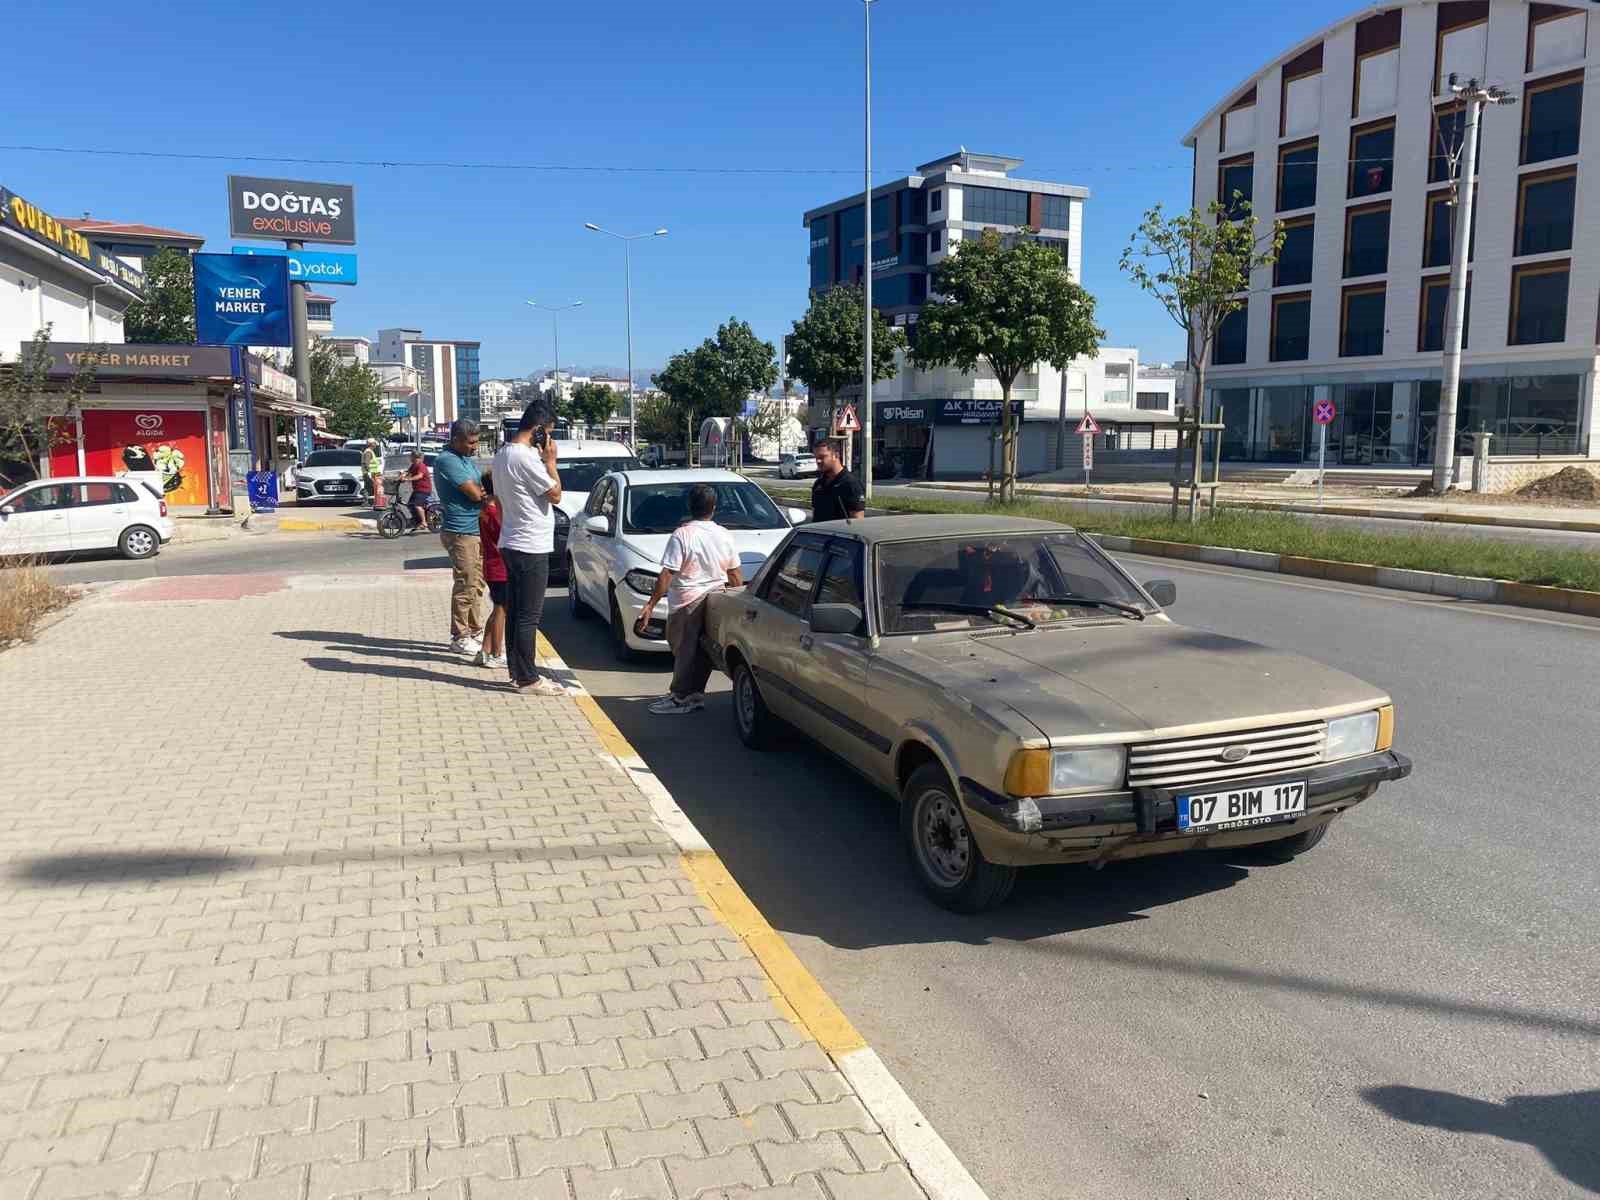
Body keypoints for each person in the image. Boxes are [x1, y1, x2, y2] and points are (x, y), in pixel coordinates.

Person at [635, 483, 743, 716]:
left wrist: (651, 604)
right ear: (713, 508)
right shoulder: (724, 534)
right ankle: (693, 694)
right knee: (700, 650)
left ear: (689, 506)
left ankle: (681, 697)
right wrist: (740, 601)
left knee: (683, 650)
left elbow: (667, 573)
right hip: (716, 598)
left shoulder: (683, 535)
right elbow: (734, 572)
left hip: (687, 601)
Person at [492, 398, 564, 696]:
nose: (551, 439)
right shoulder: (526, 458)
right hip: (530, 545)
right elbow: (556, 494)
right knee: (528, 615)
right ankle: (528, 678)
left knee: (517, 610)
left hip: (512, 540)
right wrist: (550, 462)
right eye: (549, 432)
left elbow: (499, 500)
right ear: (537, 431)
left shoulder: (501, 455)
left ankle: (518, 671)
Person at [431, 423, 487, 657]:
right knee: (466, 583)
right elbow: (475, 493)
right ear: (455, 439)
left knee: (477, 584)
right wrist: (479, 491)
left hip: (475, 529)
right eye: (470, 442)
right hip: (460, 531)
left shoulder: (465, 459)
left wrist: (481, 489)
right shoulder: (447, 460)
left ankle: (475, 630)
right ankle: (460, 635)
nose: (475, 447)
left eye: (476, 441)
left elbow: (481, 487)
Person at [476, 468, 508, 670]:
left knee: (498, 608)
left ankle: (485, 650)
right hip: (500, 566)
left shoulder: (486, 508)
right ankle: (497, 653)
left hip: (492, 565)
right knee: (501, 610)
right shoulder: (494, 510)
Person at [811, 438, 865, 522]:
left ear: (836, 455)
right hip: (820, 534)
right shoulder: (818, 484)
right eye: (816, 457)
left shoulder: (850, 484)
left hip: (840, 533)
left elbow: (857, 522)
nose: (818, 461)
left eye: (822, 457)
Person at [402, 451, 432, 532]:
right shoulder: (413, 465)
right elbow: (408, 472)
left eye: (411, 457)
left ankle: (424, 522)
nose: (410, 458)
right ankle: (417, 520)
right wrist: (401, 476)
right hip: (417, 490)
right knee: (410, 505)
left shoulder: (421, 466)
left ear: (417, 458)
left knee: (417, 505)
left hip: (424, 489)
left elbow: (420, 475)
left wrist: (408, 479)